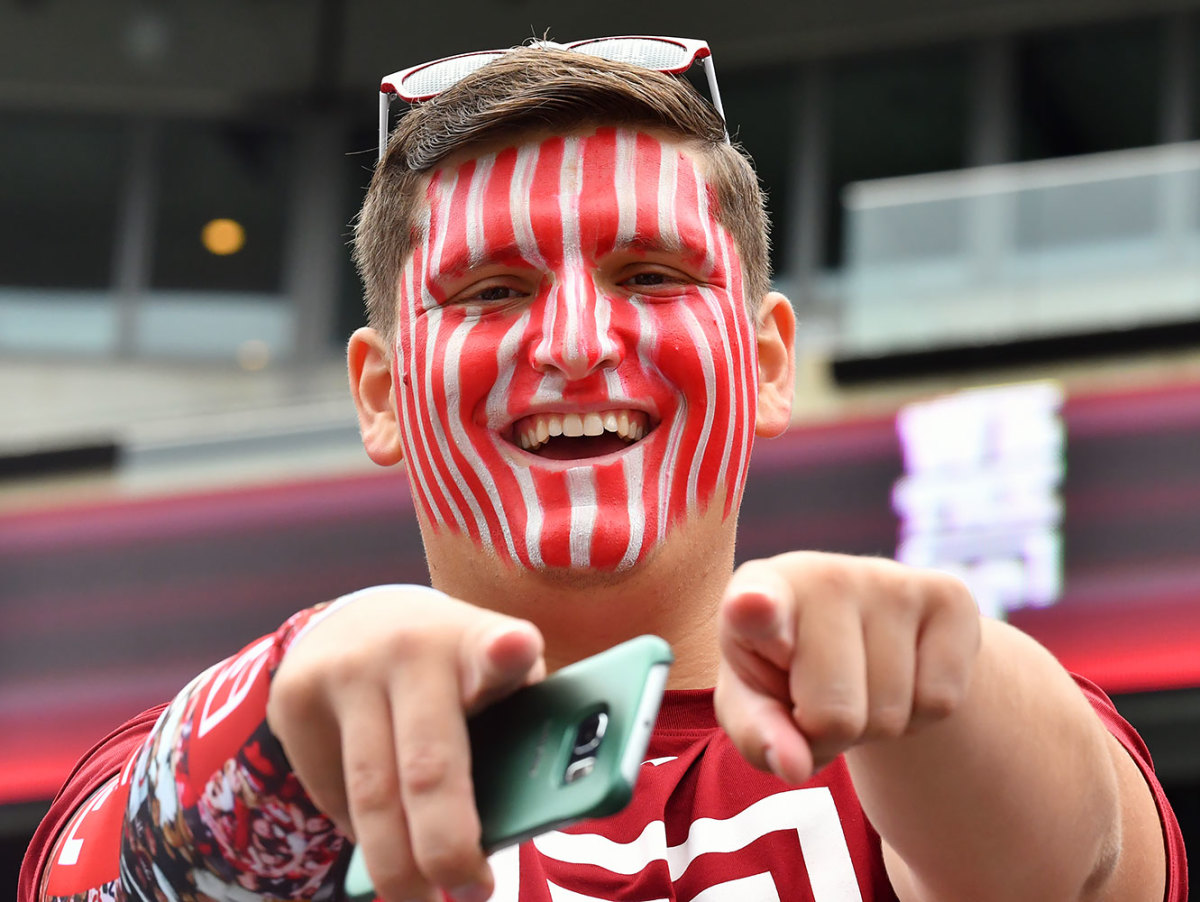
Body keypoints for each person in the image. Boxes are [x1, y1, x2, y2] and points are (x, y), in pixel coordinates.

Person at [21, 39, 1187, 902]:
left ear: (770, 360)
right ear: (379, 391)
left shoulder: (916, 754)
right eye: (492, 292)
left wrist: (944, 681)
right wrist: (294, 708)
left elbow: (1079, 858)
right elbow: (122, 865)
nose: (576, 342)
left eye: (648, 275)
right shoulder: (200, 758)